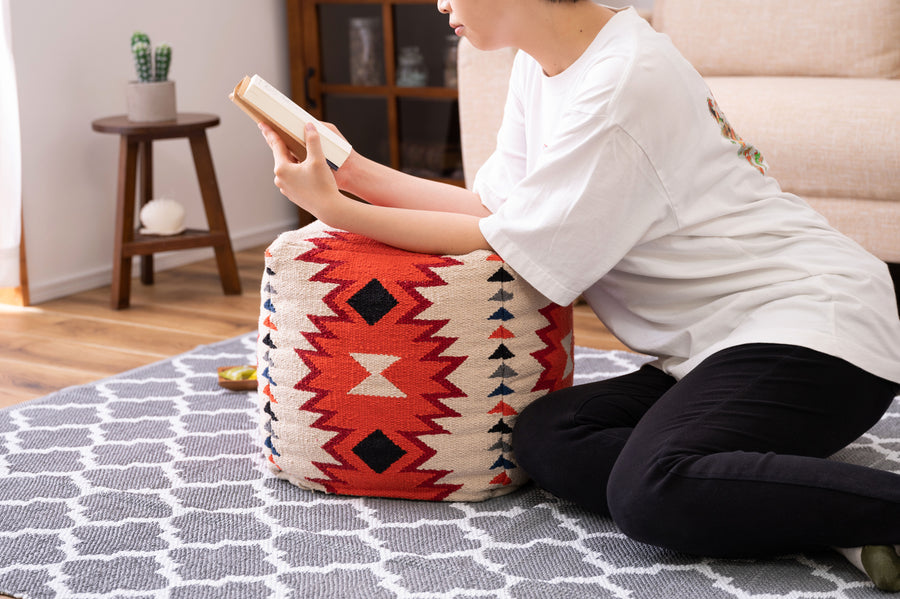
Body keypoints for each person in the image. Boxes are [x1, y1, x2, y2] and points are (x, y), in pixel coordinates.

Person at [259, 0, 900, 591]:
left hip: (811, 324)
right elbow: (494, 210)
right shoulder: (541, 65)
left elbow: (507, 247)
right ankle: (827, 511)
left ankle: (851, 505)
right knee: (547, 436)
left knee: (649, 490)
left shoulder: (624, 79)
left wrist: (336, 210)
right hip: (713, 347)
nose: (440, 3)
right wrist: (349, 168)